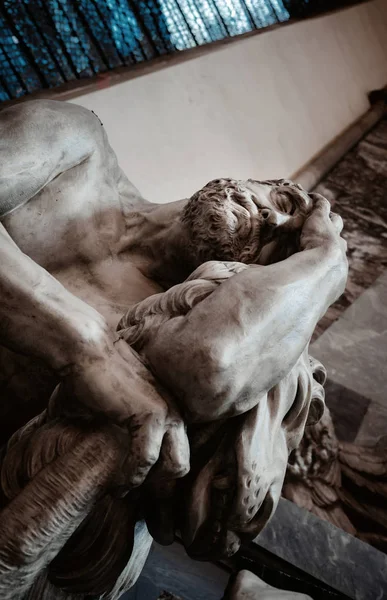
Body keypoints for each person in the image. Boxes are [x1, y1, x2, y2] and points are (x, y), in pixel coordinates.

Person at [0, 99, 347, 594]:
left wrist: (329, 263)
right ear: (255, 179)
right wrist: (84, 347)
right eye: (285, 201)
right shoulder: (77, 147)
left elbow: (213, 365)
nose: (272, 220)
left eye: (283, 252)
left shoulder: (165, 330)